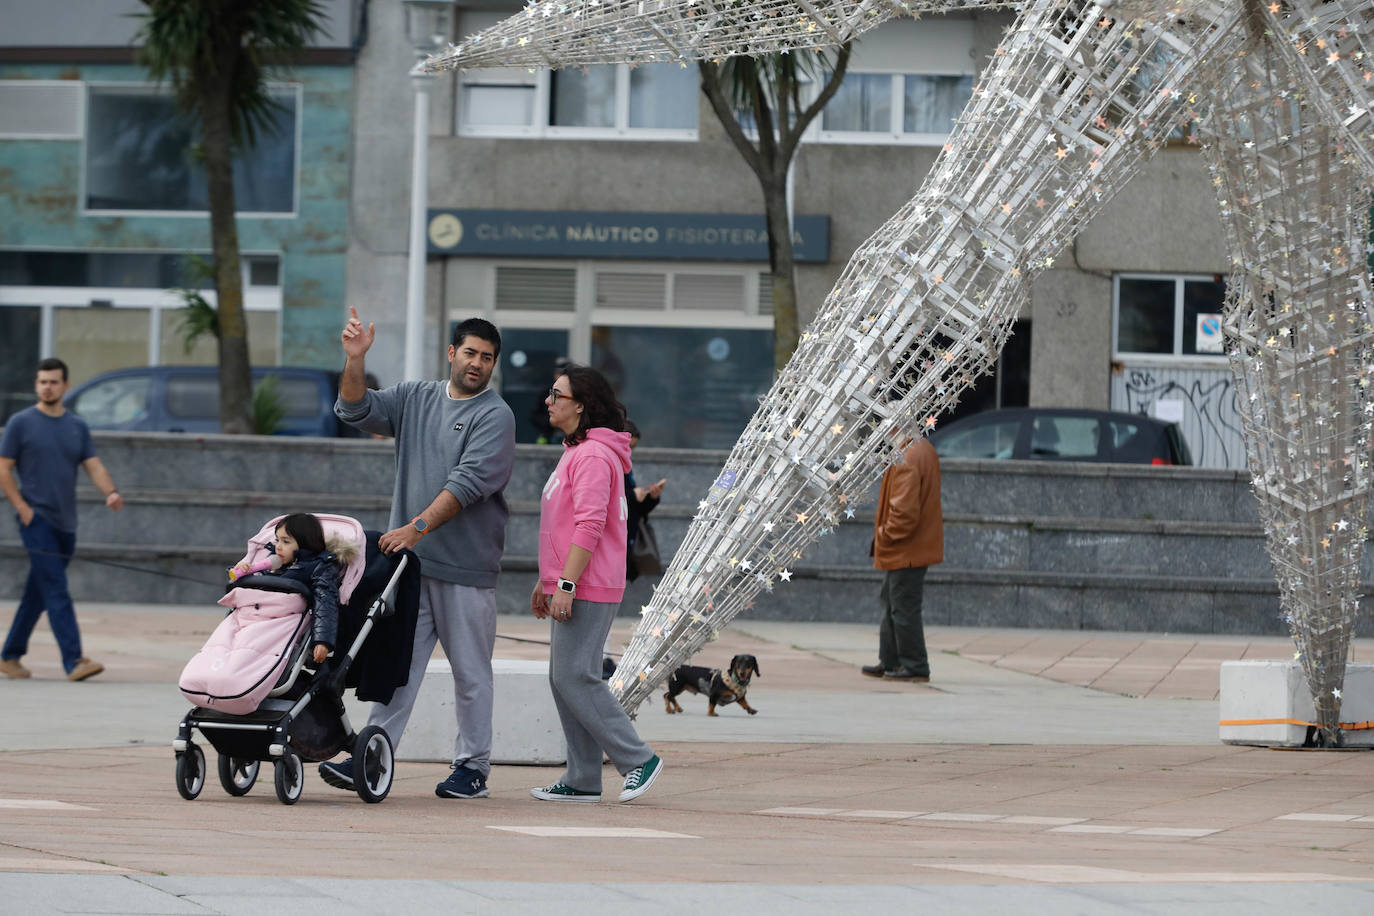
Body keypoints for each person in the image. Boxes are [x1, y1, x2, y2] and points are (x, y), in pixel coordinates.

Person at [320, 308, 516, 800]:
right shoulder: (415, 397)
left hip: (465, 569)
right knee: (397, 667)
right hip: (410, 569)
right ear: (451, 353)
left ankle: (472, 768)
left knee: (471, 674)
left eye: (487, 358)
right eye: (470, 352)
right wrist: (355, 359)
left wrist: (416, 527)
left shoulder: (495, 415)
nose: (477, 363)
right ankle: (373, 755)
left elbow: (468, 482)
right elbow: (355, 408)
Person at [529, 365, 663, 804]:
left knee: (576, 676)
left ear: (581, 405)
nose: (548, 401)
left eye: (557, 394)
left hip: (587, 582)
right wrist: (547, 580)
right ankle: (583, 777)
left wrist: (565, 583)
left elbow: (589, 524)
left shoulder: (591, 456)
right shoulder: (579, 450)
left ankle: (638, 758)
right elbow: (562, 524)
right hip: (572, 580)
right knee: (563, 677)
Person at [0, 358, 122, 681]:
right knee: (56, 588)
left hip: (66, 523)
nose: (47, 387)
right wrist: (22, 508)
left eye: (53, 382)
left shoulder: (76, 426)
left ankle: (10, 655)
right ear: (36, 385)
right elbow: (3, 468)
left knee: (37, 592)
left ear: (65, 385)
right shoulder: (20, 423)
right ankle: (74, 660)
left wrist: (110, 492)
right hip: (35, 520)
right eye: (42, 382)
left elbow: (93, 465)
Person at [862, 435, 943, 682]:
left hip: (906, 548)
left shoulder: (907, 455)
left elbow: (904, 514)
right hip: (911, 547)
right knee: (892, 602)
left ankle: (915, 666)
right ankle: (891, 661)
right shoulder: (920, 449)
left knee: (902, 608)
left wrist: (884, 535)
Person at [232, 512, 347, 666]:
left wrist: (322, 640)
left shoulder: (318, 567)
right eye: (277, 540)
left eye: (286, 542)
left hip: (283, 626)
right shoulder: (273, 565)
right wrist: (243, 572)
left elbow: (325, 602)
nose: (278, 546)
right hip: (254, 620)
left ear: (305, 543)